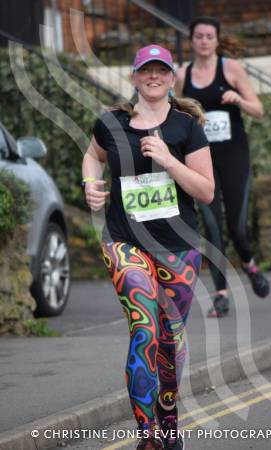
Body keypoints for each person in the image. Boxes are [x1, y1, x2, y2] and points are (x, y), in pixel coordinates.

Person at [82, 44, 214, 449]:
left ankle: (169, 422)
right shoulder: (111, 123)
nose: (153, 76)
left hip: (178, 246)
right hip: (125, 243)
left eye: (161, 70)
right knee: (144, 331)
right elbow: (92, 156)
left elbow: (206, 191)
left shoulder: (185, 127)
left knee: (169, 340)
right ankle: (148, 436)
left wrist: (169, 161)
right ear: (135, 76)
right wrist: (91, 184)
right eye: (145, 70)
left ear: (172, 78)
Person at [175, 16, 270, 318]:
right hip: (200, 160)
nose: (203, 41)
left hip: (233, 157)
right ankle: (220, 294)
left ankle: (249, 264)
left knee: (237, 228)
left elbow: (259, 110)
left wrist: (239, 100)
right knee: (213, 227)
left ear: (217, 40)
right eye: (198, 36)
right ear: (191, 41)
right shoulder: (182, 75)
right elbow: (176, 114)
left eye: (209, 36)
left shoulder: (231, 69)